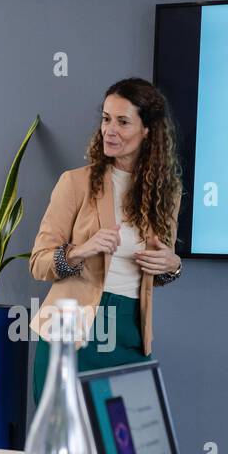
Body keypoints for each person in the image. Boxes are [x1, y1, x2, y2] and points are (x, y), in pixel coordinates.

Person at [28, 78, 183, 402]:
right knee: (66, 450)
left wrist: (172, 265)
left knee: (123, 449)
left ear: (147, 131)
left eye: (122, 122)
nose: (109, 130)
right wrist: (80, 251)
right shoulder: (75, 183)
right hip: (69, 336)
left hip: (130, 335)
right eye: (106, 119)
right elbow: (39, 263)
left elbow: (160, 271)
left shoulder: (167, 193)